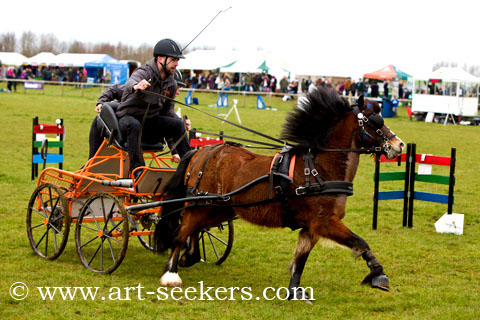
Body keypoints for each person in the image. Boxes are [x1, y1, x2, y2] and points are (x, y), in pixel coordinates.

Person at [107, 39, 191, 178]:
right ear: (160, 59)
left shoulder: (171, 83)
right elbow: (130, 82)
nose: (176, 64)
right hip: (128, 119)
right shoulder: (144, 72)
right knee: (134, 125)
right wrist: (137, 86)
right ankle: (137, 170)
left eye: (178, 60)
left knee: (177, 125)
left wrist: (179, 121)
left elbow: (168, 112)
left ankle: (190, 167)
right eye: (174, 59)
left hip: (150, 123)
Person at [88, 69, 189, 162]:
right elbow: (114, 89)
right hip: (111, 125)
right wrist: (101, 102)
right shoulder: (143, 91)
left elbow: (168, 129)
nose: (178, 92)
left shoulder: (164, 104)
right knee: (94, 159)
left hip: (139, 132)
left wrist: (175, 152)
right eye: (177, 88)